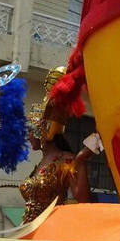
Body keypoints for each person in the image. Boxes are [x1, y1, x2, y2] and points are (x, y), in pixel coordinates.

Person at [21, 66, 92, 224]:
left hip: (50, 230)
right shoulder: (40, 163)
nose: (28, 136)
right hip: (26, 229)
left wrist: (80, 161)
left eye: (30, 130)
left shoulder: (66, 160)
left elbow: (83, 199)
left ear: (41, 128)